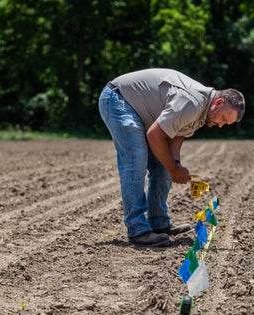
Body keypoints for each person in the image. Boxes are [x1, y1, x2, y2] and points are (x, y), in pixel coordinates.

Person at [98, 68, 245, 247]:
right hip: (119, 99)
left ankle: (158, 223)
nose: (220, 125)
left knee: (163, 167)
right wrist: (174, 169)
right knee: (136, 160)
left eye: (225, 124)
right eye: (223, 118)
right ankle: (138, 231)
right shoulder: (193, 103)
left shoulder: (204, 111)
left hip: (138, 110)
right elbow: (155, 135)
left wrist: (174, 164)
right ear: (219, 102)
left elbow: (176, 134)